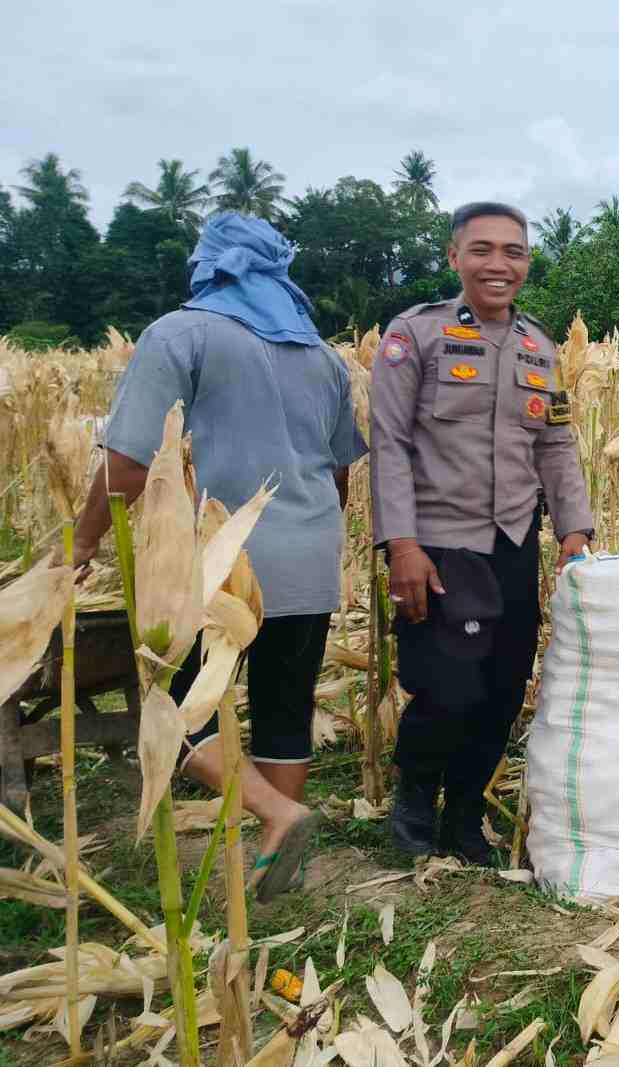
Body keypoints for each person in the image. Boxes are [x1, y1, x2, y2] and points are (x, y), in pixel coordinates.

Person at [70, 212, 366, 902]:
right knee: (284, 707)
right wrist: (311, 533)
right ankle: (274, 869)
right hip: (309, 552)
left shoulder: (181, 334)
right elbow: (339, 474)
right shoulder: (321, 356)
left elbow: (128, 460)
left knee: (168, 709)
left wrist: (81, 543)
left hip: (223, 562)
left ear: (210, 267)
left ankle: (275, 813)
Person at [369, 202, 593, 866]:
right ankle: (415, 803)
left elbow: (556, 445)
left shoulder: (539, 349)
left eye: (513, 252)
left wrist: (574, 527)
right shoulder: (416, 335)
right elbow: (389, 443)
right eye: (483, 249)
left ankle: (464, 814)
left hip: (514, 541)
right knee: (448, 686)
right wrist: (401, 544)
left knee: (502, 686)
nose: (500, 265)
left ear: (527, 261)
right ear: (454, 257)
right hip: (441, 542)